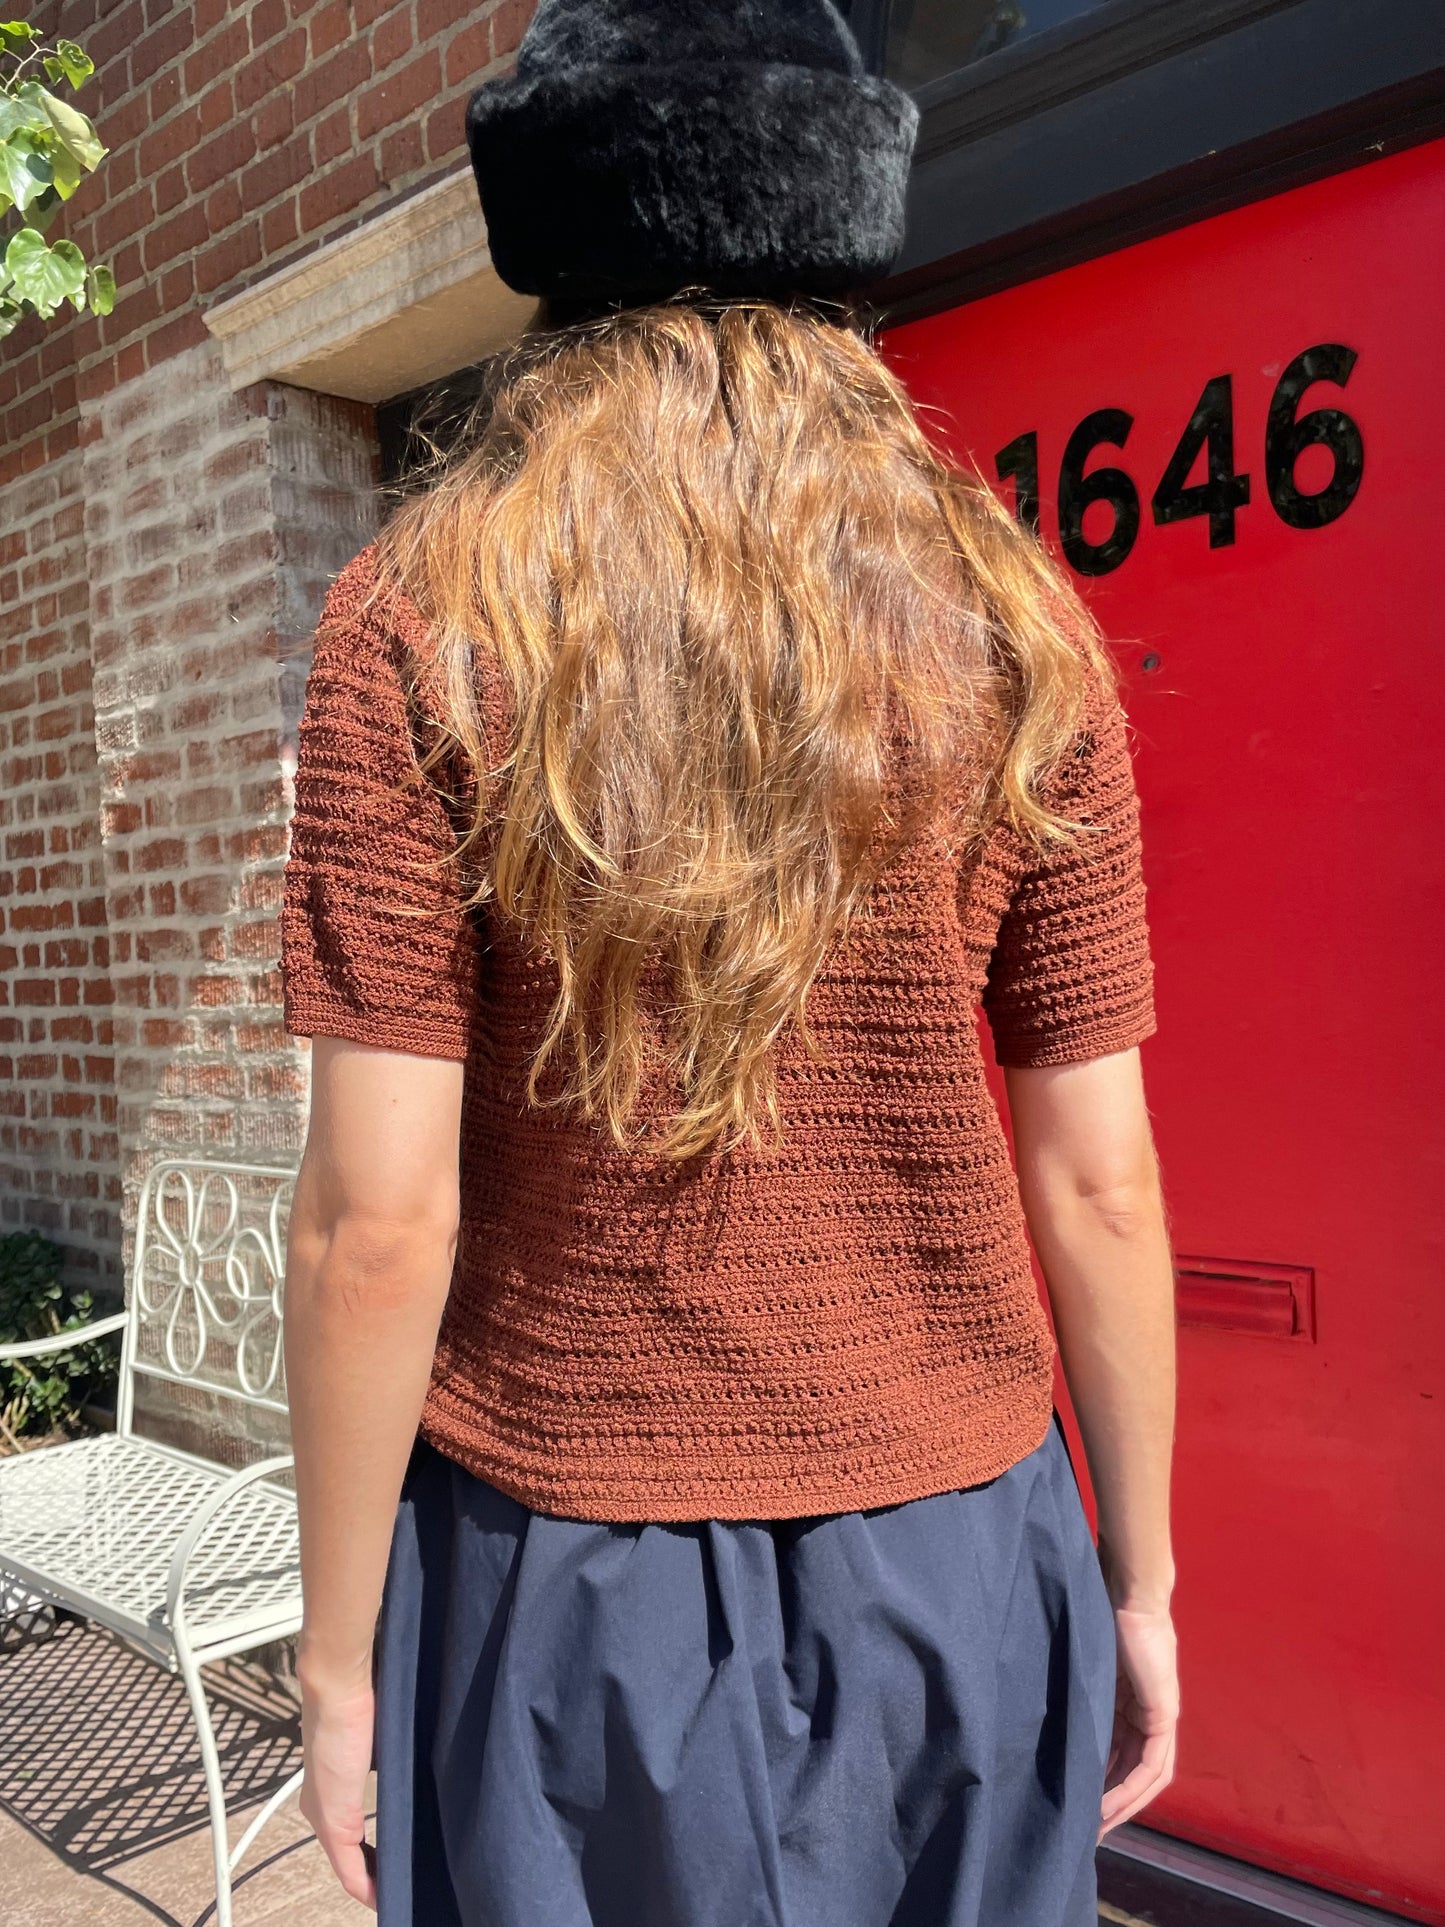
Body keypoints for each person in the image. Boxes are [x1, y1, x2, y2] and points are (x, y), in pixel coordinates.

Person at [278, 3, 1180, 1923]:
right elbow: (1098, 1180)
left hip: (562, 1586)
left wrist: (338, 1664)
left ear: (550, 261)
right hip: (955, 1553)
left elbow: (374, 1221)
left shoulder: (419, 620)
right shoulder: (1010, 622)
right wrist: (1141, 1581)